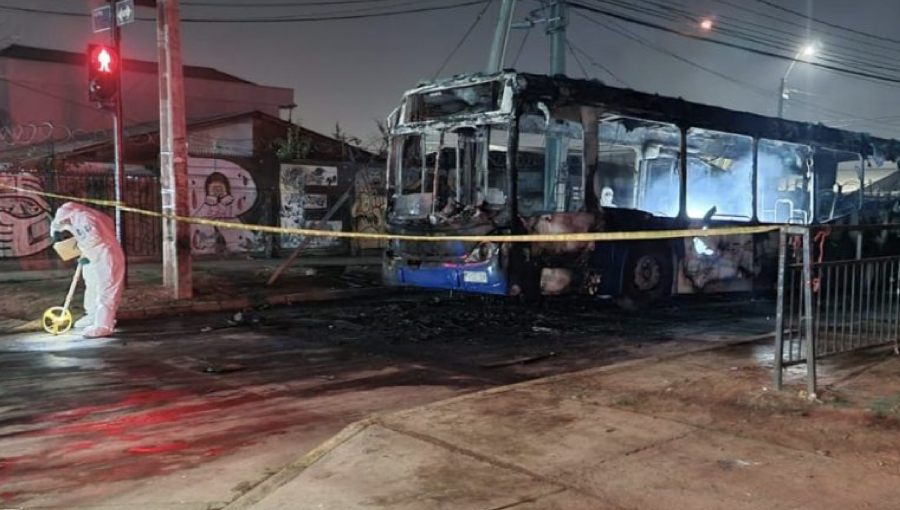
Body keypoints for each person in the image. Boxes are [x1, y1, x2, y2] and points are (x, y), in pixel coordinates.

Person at [50, 202, 125, 338]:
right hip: (95, 256)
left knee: (106, 291)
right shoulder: (81, 217)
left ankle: (103, 325)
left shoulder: (84, 218)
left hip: (106, 256)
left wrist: (79, 247)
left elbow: (93, 238)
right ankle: (92, 316)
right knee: (91, 285)